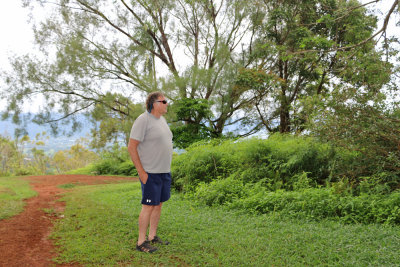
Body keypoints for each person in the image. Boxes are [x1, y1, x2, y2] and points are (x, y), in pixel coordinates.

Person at [127, 92, 173, 253]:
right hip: (150, 172)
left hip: (164, 172)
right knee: (148, 206)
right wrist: (141, 172)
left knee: (158, 204)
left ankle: (152, 236)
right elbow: (132, 147)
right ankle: (141, 242)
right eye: (164, 101)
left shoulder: (162, 120)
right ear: (155, 103)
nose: (167, 104)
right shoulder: (143, 120)